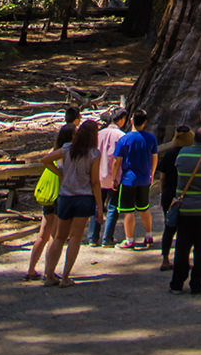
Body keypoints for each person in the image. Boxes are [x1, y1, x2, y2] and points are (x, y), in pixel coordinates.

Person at [43, 118, 103, 283]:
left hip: (66, 197)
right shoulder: (94, 153)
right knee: (75, 237)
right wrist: (99, 206)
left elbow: (45, 160)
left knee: (59, 237)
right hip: (84, 197)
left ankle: (49, 274)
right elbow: (95, 182)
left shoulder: (67, 149)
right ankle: (66, 276)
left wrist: (59, 172)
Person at [26, 107, 82, 280]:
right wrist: (62, 174)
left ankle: (31, 269)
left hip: (48, 195)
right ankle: (48, 272)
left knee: (42, 234)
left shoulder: (54, 150)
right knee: (55, 235)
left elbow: (45, 161)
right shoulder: (67, 153)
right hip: (59, 195)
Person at [168, 126, 201, 294]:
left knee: (182, 247)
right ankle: (197, 282)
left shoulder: (183, 154)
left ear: (194, 139)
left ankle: (177, 282)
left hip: (185, 208)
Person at [115, 107, 159, 249]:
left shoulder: (124, 139)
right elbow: (155, 158)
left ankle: (129, 240)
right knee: (144, 208)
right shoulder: (151, 139)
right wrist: (151, 173)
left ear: (131, 120)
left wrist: (114, 178)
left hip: (128, 180)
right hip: (144, 179)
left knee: (128, 211)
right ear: (145, 122)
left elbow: (117, 160)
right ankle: (149, 235)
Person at [156, 126, 194, 271]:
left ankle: (165, 259)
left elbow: (163, 178)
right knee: (185, 229)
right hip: (185, 195)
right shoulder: (190, 156)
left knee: (169, 227)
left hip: (169, 195)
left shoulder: (170, 155)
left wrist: (162, 194)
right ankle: (183, 259)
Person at [93, 108, 127, 247]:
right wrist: (115, 178)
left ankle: (92, 238)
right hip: (114, 177)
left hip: (98, 175)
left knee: (97, 204)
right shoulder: (121, 136)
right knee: (113, 206)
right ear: (121, 120)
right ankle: (107, 238)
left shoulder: (98, 134)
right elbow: (117, 159)